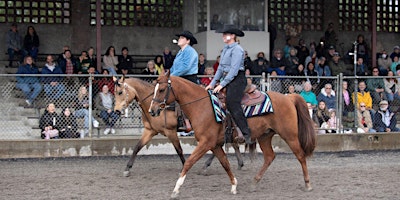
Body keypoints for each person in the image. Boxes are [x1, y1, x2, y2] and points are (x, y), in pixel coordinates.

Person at [205, 28, 252, 144]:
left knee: (232, 102)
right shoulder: (225, 49)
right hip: (227, 78)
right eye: (223, 34)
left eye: (225, 34)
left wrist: (221, 84)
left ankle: (246, 133)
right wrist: (211, 84)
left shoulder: (237, 49)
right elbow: (220, 68)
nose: (223, 36)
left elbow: (234, 70)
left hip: (237, 79)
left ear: (232, 36)